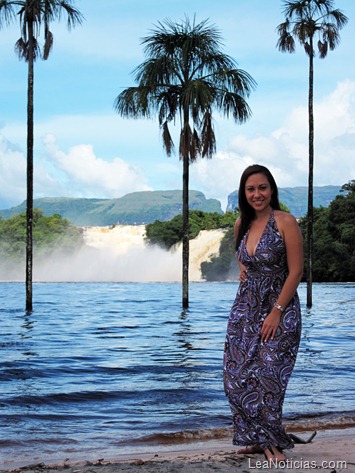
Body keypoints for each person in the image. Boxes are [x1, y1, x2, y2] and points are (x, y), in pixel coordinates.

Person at [223, 164, 303, 463]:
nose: (257, 194)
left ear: (272, 190)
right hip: (245, 308)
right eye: (251, 189)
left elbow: (296, 271)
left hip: (280, 307)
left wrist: (277, 312)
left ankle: (272, 442)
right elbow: (241, 254)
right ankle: (256, 437)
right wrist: (244, 269)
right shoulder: (240, 223)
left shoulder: (285, 221)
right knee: (235, 376)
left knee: (270, 376)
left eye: (262, 187)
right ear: (244, 193)